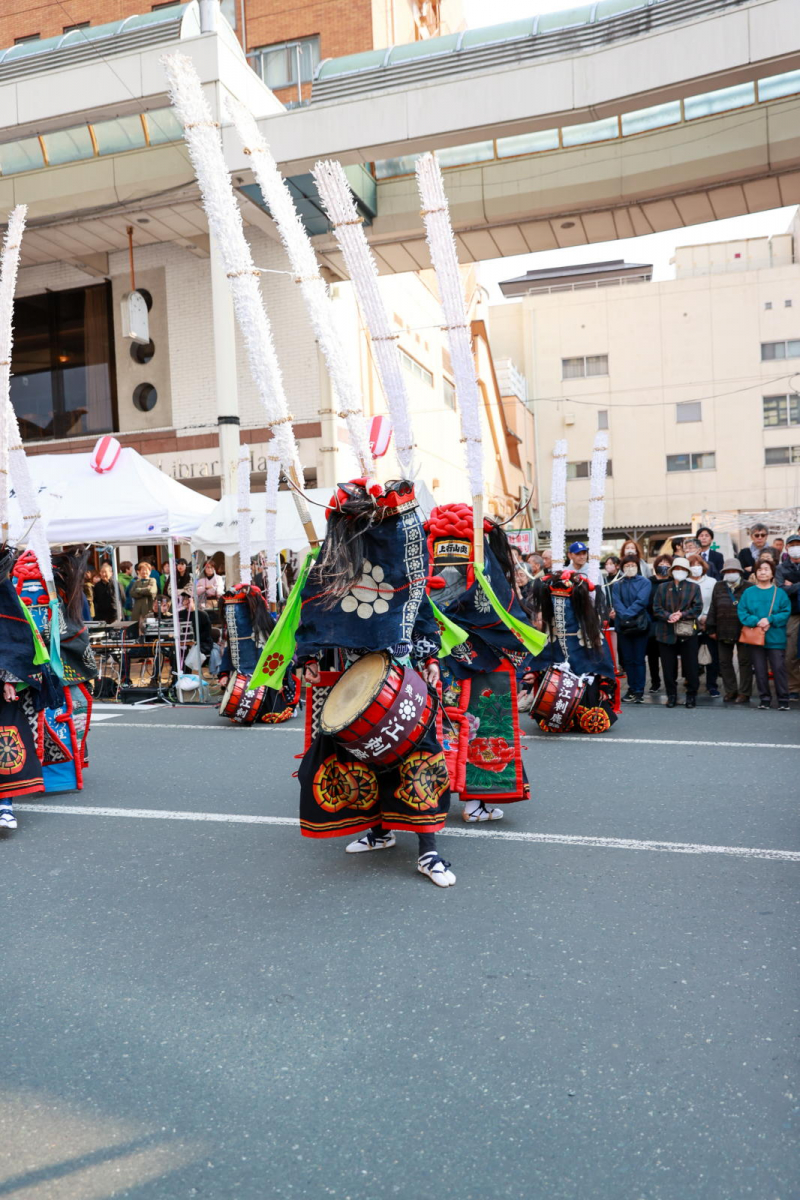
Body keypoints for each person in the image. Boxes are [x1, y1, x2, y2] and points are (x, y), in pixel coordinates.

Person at [255, 478, 455, 887]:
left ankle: (428, 850)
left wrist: (430, 655)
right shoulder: (332, 564)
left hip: (401, 670)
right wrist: (308, 656)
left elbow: (419, 609)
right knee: (362, 753)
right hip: (355, 672)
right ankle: (380, 831)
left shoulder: (402, 559)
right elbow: (315, 613)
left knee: (415, 753)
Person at [426, 503, 538, 822]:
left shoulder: (427, 558)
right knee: (484, 723)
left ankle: (422, 797)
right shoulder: (478, 556)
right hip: (480, 655)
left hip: (433, 652)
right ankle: (477, 801)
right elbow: (500, 605)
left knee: (432, 724)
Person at [524, 569, 619, 732]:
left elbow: (600, 657)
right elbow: (544, 654)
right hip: (557, 679)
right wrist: (533, 672)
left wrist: (604, 684)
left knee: (590, 716)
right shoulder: (551, 629)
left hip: (584, 677)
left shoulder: (587, 627)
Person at [0, 547, 49, 831]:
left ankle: (5, 804)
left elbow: (14, 640)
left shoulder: (5, 595)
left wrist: (8, 678)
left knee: (5, 739)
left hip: (2, 680)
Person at [737, 558, 791, 710]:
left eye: (766, 569)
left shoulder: (779, 593)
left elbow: (786, 612)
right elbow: (742, 612)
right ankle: (764, 699)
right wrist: (756, 621)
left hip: (775, 637)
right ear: (755, 572)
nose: (763, 572)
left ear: (772, 572)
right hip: (755, 637)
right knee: (759, 669)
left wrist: (770, 620)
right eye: (760, 569)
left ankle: (783, 699)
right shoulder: (748, 592)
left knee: (779, 668)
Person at [652, 556, 702, 708]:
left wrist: (682, 614)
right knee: (668, 666)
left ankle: (691, 695)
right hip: (666, 631)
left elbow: (697, 607)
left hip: (687, 631)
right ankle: (671, 695)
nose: (679, 571)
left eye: (682, 569)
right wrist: (669, 615)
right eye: (676, 569)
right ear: (672, 571)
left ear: (687, 572)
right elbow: (656, 608)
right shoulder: (662, 587)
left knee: (691, 666)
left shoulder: (694, 587)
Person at [705, 559, 753, 703]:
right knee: (724, 661)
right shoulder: (719, 586)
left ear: (740, 572)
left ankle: (745, 692)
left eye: (733, 571)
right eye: (728, 571)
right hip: (723, 628)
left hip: (743, 629)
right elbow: (713, 607)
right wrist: (711, 627)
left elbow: (752, 608)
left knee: (744, 661)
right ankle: (731, 690)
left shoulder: (749, 587)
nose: (731, 574)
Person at [610, 554, 651, 703]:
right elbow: (616, 602)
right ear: (621, 568)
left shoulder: (645, 582)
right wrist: (624, 615)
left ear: (638, 566)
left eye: (633, 565)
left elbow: (642, 601)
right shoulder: (617, 584)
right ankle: (631, 688)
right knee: (627, 660)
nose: (630, 568)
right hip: (623, 626)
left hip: (640, 625)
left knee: (639, 659)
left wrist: (626, 614)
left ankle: (639, 690)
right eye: (627, 565)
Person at [688, 555, 720, 697]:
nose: (696, 567)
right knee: (691, 656)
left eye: (698, 564)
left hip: (709, 623)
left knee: (712, 655)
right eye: (692, 565)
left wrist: (706, 617)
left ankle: (712, 685)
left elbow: (715, 603)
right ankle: (692, 684)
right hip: (691, 623)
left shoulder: (712, 582)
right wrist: (697, 617)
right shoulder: (685, 582)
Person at [776, 532, 800, 700]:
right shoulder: (781, 568)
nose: (795, 548)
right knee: (790, 653)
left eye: (798, 544)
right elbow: (781, 590)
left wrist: (793, 585)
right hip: (792, 613)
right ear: (786, 548)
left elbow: (789, 588)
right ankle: (794, 687)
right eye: (792, 545)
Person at [646, 553, 672, 692]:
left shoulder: (674, 581)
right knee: (652, 655)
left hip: (670, 622)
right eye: (661, 563)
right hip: (652, 622)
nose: (664, 566)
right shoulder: (649, 582)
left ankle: (671, 681)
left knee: (668, 655)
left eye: (667, 563)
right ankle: (655, 682)